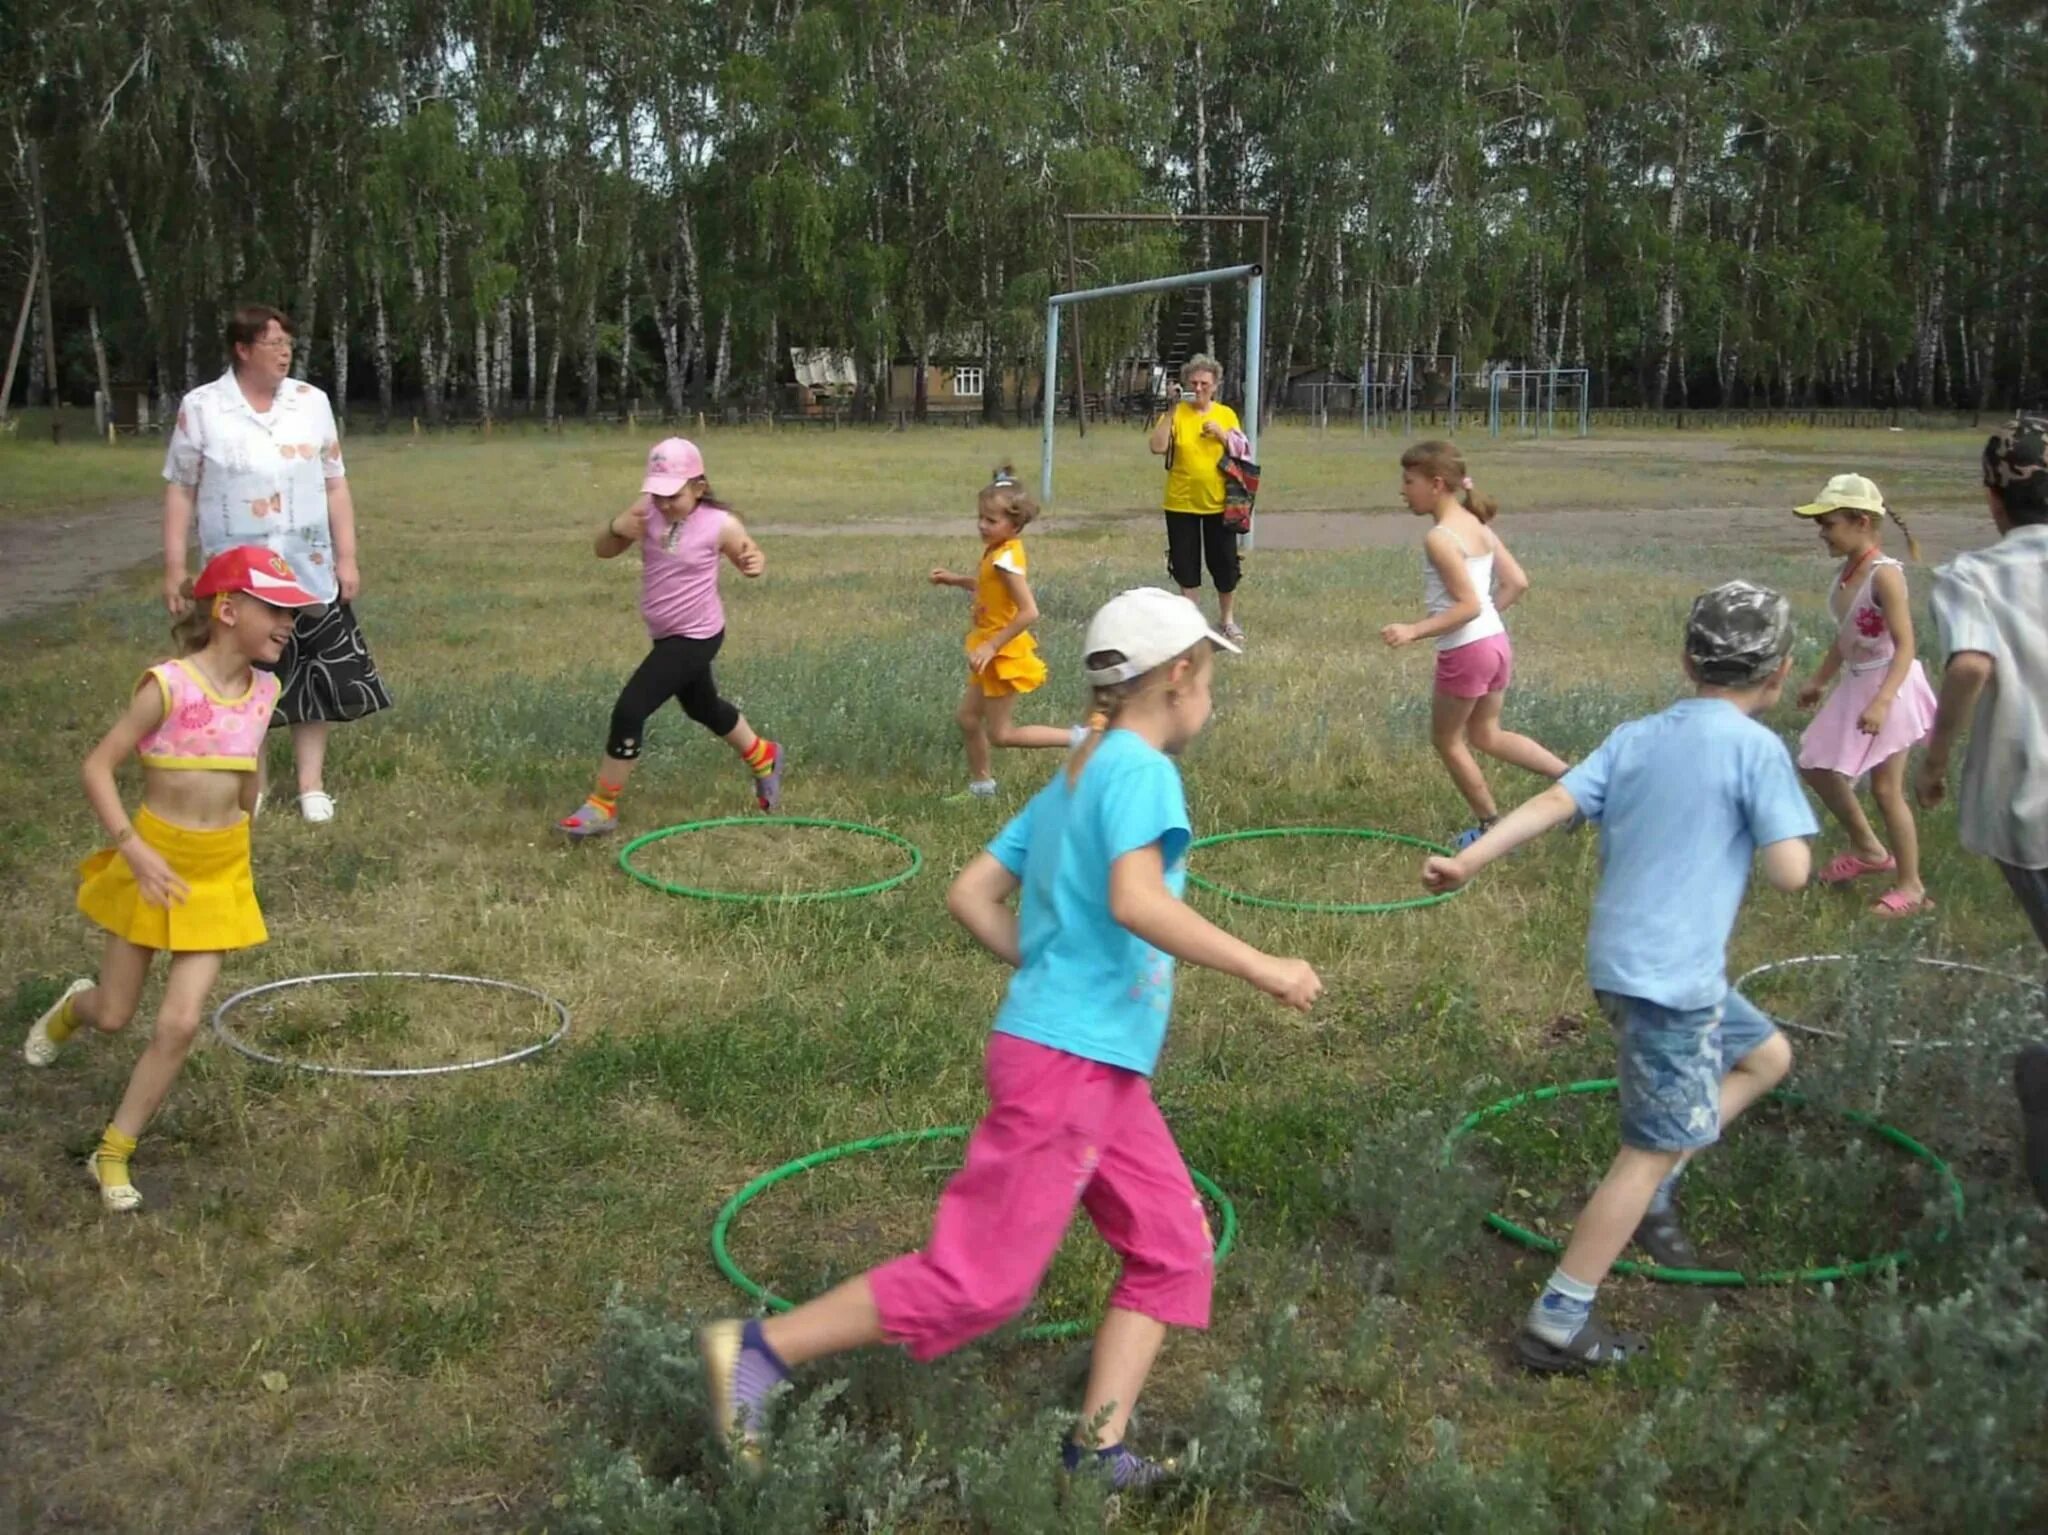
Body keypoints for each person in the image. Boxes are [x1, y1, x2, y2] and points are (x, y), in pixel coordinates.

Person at [697, 588, 1321, 1482]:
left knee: (1171, 1245)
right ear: (1179, 675)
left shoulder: (1076, 771)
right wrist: (1265, 964)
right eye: (1210, 674)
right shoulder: (1141, 769)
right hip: (1070, 1062)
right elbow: (1137, 900)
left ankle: (1095, 1450)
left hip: (1091, 1061)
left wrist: (1045, 966)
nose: (1211, 696)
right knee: (980, 1280)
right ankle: (759, 1350)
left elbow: (969, 892)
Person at [1421, 581, 1816, 1370]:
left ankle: (1666, 1174)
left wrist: (1468, 859)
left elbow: (1551, 803)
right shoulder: (1757, 751)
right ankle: (1560, 1317)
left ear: (1685, 660)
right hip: (1672, 984)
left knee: (1767, 1057)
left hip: (1630, 968)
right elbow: (1790, 874)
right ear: (1780, 674)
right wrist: (1782, 833)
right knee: (1642, 1150)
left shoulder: (1637, 735)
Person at [24, 545, 321, 1210]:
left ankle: (113, 1151)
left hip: (218, 872)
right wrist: (131, 849)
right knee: (115, 1012)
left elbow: (249, 758)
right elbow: (96, 767)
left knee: (180, 1023)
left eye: (294, 614)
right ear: (226, 608)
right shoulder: (167, 685)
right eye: (276, 609)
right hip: (152, 862)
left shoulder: (267, 688)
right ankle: (78, 1006)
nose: (288, 624)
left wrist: (252, 805)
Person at [163, 303, 390, 824]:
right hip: (235, 572)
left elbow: (335, 481)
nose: (284, 352)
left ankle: (312, 786)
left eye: (288, 343)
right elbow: (180, 489)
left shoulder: (312, 403)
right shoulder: (201, 408)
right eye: (272, 343)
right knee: (242, 673)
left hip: (306, 566)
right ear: (242, 350)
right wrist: (175, 567)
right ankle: (254, 783)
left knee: (313, 673)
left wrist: (347, 557)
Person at [1914, 414, 2048, 1209]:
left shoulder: (1975, 575)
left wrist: (1935, 761)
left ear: (1993, 497)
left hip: (2029, 812)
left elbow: (1967, 663)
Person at [558, 438, 783, 837]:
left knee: (631, 709)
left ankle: (602, 805)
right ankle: (762, 754)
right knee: (703, 707)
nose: (663, 504)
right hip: (665, 635)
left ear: (698, 487)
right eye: (657, 494)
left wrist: (754, 563)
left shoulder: (719, 524)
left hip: (696, 635)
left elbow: (750, 555)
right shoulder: (645, 512)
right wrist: (615, 527)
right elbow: (603, 550)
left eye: (673, 496)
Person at [1381, 439, 1567, 849]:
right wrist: (1487, 622)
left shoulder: (1441, 538)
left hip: (1467, 651)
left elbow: (1466, 606)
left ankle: (1491, 829)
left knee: (1447, 740)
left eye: (1408, 481)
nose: (1402, 490)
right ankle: (1577, 783)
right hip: (1496, 643)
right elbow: (1517, 582)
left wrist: (1414, 630)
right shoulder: (1476, 524)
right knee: (1485, 733)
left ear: (1436, 484)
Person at [1790, 473, 1937, 917]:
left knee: (1887, 789)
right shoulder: (1847, 573)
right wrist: (1819, 679)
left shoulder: (1885, 575)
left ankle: (1912, 888)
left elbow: (1906, 644)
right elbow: (1847, 637)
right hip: (1859, 682)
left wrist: (1882, 701)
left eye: (1829, 523)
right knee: (1814, 762)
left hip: (1890, 684)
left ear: (1861, 521)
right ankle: (1870, 851)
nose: (1822, 533)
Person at [928, 465, 1076, 800]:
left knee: (1002, 733)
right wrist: (954, 579)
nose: (982, 525)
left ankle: (1082, 738)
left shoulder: (1006, 560)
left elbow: (1029, 611)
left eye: (991, 521)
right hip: (990, 651)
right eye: (980, 517)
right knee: (967, 718)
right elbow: (986, 587)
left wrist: (992, 646)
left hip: (1003, 654)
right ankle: (982, 787)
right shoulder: (998, 551)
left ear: (1015, 524)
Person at [1147, 354, 1246, 645]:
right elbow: (1157, 447)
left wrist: (1222, 435)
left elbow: (1243, 450)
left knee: (1225, 564)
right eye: (1193, 383)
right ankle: (1191, 625)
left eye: (1204, 383)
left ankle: (1227, 620)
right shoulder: (1176, 413)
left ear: (1215, 386)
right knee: (1185, 564)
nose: (1199, 389)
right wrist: (1171, 407)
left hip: (1219, 503)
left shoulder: (1226, 414)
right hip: (1181, 503)